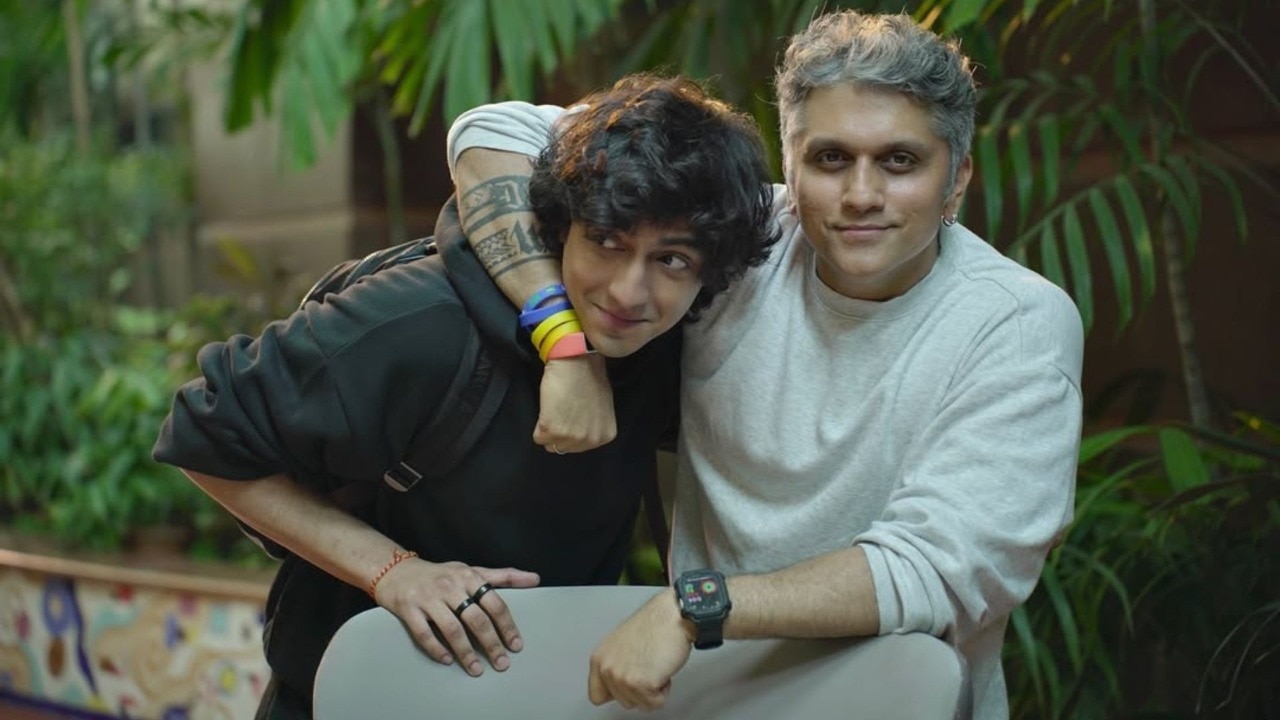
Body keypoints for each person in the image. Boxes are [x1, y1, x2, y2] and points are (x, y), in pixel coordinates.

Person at [445, 10, 1084, 720]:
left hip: (894, 698)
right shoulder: (740, 239)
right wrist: (563, 341)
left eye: (899, 161)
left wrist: (696, 607)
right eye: (829, 159)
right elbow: (491, 132)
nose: (861, 194)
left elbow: (936, 568)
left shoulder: (1015, 324)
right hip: (697, 692)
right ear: (790, 164)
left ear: (956, 179)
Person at [152, 74, 778, 719]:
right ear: (561, 226)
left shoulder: (673, 347)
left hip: (535, 700)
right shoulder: (423, 322)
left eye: (671, 260)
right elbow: (204, 430)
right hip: (351, 697)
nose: (627, 291)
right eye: (606, 241)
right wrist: (394, 571)